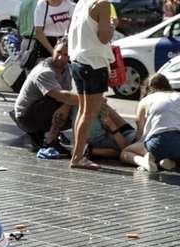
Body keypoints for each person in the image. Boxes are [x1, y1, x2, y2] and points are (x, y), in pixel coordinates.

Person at [68, 0, 115, 170]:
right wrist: (112, 25)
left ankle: (78, 153)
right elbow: (104, 38)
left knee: (82, 111)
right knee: (88, 113)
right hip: (94, 64)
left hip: (79, 61)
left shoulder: (82, 3)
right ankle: (78, 157)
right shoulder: (103, 4)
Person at [13, 37, 75, 155]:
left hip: (42, 110)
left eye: (66, 55)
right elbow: (60, 96)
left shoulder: (68, 69)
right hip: (26, 116)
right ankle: (50, 140)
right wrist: (88, 101)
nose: (61, 57)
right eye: (58, 52)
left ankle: (51, 136)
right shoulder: (45, 70)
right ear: (53, 51)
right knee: (65, 101)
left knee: (72, 103)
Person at [121, 73, 180, 172]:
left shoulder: (146, 100)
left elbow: (139, 128)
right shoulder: (178, 96)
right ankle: (168, 162)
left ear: (148, 87)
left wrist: (138, 145)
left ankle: (144, 162)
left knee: (125, 152)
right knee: (172, 150)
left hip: (161, 143)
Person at [32, 0, 74, 64]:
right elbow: (38, 31)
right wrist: (53, 51)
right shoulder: (42, 4)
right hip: (46, 44)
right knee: (46, 71)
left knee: (65, 71)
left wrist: (65, 42)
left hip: (64, 43)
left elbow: (71, 27)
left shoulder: (69, 5)